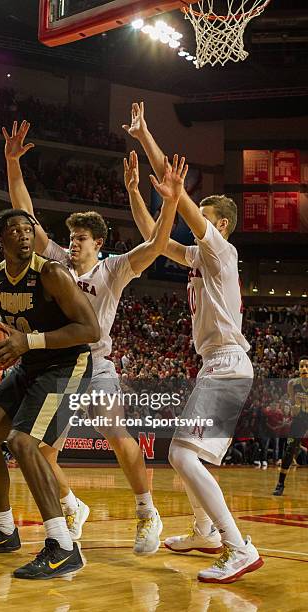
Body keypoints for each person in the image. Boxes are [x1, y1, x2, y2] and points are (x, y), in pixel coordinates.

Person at [4, 120, 186, 554]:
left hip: (96, 363)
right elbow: (25, 216)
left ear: (99, 244)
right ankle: (72, 504)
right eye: (70, 238)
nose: (72, 245)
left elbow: (159, 243)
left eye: (80, 239)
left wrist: (172, 202)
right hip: (61, 365)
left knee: (114, 430)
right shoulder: (58, 264)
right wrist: (13, 165)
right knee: (42, 450)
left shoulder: (115, 268)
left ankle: (146, 512)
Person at [122, 101, 262, 583]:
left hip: (226, 363)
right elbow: (155, 239)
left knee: (181, 454)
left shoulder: (221, 250)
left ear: (218, 225)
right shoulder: (202, 258)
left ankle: (238, 545)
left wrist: (147, 139)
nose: (191, 219)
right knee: (187, 452)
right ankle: (204, 530)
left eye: (200, 217)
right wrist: (137, 193)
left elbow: (177, 193)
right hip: (215, 364)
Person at [0, 208, 100, 580]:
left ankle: (64, 546)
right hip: (29, 365)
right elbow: (10, 330)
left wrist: (27, 342)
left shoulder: (51, 273)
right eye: (15, 230)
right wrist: (1, 350)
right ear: (0, 239)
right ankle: (4, 531)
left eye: (29, 228)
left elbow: (91, 329)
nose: (23, 235)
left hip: (68, 364)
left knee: (23, 443)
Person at [273, 356, 308, 496]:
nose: (304, 368)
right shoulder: (292, 384)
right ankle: (280, 484)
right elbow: (293, 412)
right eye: (301, 366)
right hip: (299, 419)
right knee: (289, 449)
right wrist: (298, 403)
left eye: (306, 365)